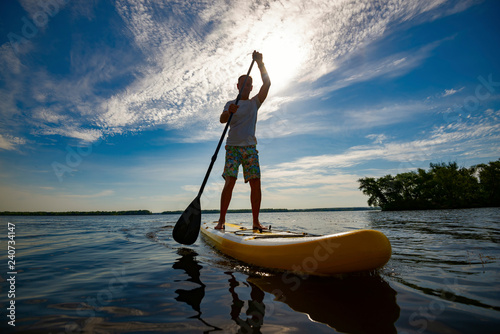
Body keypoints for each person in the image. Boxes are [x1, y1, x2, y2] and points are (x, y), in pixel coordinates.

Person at [215, 51, 271, 230]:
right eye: (244, 84)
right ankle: (221, 220)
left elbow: (268, 83)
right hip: (232, 148)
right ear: (238, 86)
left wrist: (260, 63)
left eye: (249, 84)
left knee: (256, 183)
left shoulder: (255, 102)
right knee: (229, 182)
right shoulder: (230, 103)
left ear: (251, 87)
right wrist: (228, 111)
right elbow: (223, 120)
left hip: (250, 148)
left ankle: (255, 222)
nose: (246, 87)